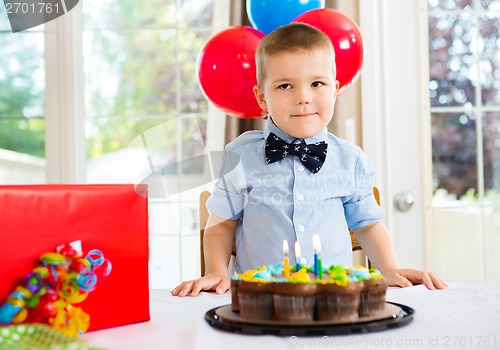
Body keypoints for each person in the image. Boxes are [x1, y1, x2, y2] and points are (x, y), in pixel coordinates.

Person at [172, 23, 446, 297]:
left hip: (334, 300)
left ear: (335, 89)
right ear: (262, 97)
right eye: (285, 85)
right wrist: (217, 272)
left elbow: (368, 224)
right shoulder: (241, 156)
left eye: (317, 83)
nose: (303, 98)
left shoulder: (350, 160)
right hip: (260, 302)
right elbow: (221, 224)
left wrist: (389, 269)